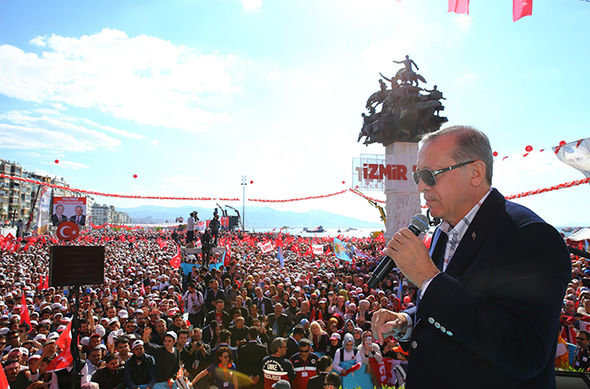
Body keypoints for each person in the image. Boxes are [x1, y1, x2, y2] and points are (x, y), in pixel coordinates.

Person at [371, 125, 571, 388]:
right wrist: (407, 321)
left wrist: (428, 278)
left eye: (430, 175)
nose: (421, 186)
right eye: (418, 175)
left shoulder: (529, 236)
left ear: (476, 173)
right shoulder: (445, 229)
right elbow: (458, 306)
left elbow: (525, 353)